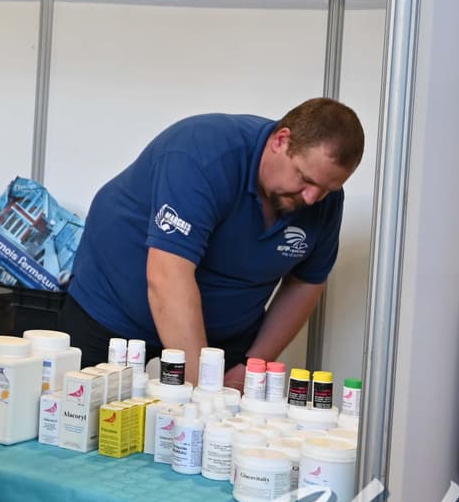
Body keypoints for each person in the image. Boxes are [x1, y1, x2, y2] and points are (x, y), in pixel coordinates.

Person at [61, 99, 365, 387]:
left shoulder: (323, 200)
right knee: (82, 416)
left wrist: (251, 365)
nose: (311, 198)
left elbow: (305, 283)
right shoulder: (202, 154)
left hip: (222, 338)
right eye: (305, 179)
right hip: (114, 310)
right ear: (281, 141)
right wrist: (201, 390)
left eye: (326, 188)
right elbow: (169, 277)